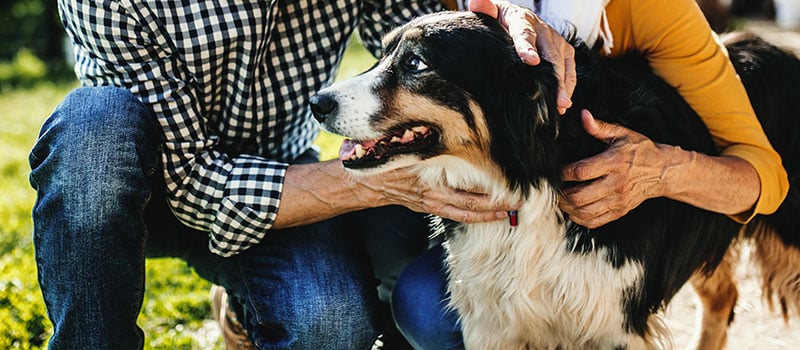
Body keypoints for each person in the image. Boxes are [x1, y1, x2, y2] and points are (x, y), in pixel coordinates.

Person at [29, 0, 578, 348]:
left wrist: (504, 17)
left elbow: (428, 38)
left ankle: (245, 302)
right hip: (141, 183)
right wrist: (365, 183)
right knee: (93, 126)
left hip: (282, 182)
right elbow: (190, 182)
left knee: (331, 328)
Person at [392, 0, 790, 348]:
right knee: (427, 305)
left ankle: (714, 327)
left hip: (621, 198)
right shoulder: (453, 9)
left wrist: (661, 171)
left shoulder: (652, 7)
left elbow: (765, 179)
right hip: (514, 222)